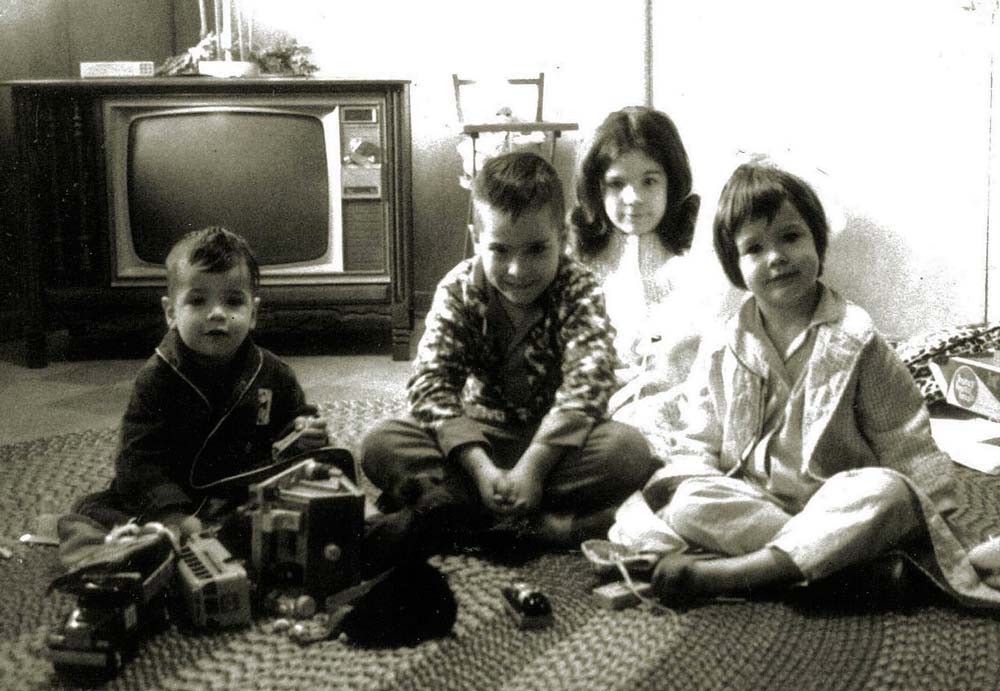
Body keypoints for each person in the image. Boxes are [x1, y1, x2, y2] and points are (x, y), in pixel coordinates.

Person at [608, 161, 1000, 608]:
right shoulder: (721, 344)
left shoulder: (856, 339)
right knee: (688, 502)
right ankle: (840, 567)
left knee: (887, 493)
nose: (776, 257)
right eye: (754, 248)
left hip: (837, 495)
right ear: (736, 268)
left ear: (817, 240)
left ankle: (736, 574)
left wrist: (939, 521)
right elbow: (701, 441)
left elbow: (903, 437)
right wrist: (688, 482)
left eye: (791, 237)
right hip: (758, 501)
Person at [361, 151, 655, 558]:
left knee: (629, 452)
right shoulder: (459, 287)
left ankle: (457, 513)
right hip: (477, 443)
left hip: (558, 449)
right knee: (381, 442)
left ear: (563, 239)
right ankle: (539, 522)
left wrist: (533, 468)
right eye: (500, 250)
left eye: (537, 249)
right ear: (476, 238)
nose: (518, 270)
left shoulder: (579, 288)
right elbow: (431, 383)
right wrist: (480, 468)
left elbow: (590, 382)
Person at [60, 226, 330, 559]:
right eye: (198, 300)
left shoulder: (272, 371)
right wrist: (172, 513)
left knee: (320, 498)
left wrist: (304, 430)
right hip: (171, 497)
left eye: (233, 301)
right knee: (89, 513)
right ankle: (131, 551)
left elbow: (295, 418)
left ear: (254, 313)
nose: (217, 313)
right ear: (171, 313)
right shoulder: (157, 378)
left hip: (243, 496)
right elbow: (138, 459)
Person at [569, 106, 730, 415]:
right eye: (617, 184)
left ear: (672, 181)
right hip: (597, 395)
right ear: (596, 187)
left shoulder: (695, 248)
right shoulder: (583, 254)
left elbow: (702, 340)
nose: (633, 197)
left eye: (650, 181)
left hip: (678, 395)